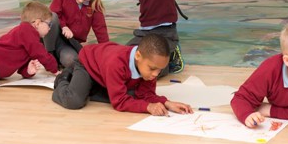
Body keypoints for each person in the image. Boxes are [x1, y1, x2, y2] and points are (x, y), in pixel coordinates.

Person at [52, 33, 193, 116]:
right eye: (152, 69)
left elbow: (146, 94)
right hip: (87, 64)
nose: (155, 74)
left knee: (133, 96)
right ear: (138, 56)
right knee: (74, 101)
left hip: (103, 73)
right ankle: (64, 79)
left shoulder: (148, 67)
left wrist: (167, 103)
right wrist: (148, 107)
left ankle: (90, 86)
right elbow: (119, 103)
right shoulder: (116, 63)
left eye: (160, 70)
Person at [43, 0, 109, 70]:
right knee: (52, 17)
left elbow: (100, 29)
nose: (81, 1)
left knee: (72, 61)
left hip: (69, 43)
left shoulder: (95, 4)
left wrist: (108, 51)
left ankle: (57, 58)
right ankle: (48, 55)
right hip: (52, 35)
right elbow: (53, 14)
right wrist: (64, 26)